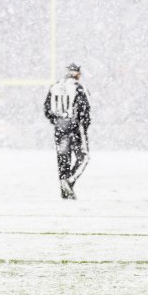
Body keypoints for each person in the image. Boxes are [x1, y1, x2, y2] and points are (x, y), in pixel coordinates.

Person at [43, 63, 91, 200]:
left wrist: (57, 121)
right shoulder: (78, 88)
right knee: (84, 157)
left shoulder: (54, 87)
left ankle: (65, 190)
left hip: (60, 127)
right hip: (74, 126)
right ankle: (69, 181)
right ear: (77, 74)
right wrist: (82, 126)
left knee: (63, 159)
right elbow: (85, 109)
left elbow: (47, 108)